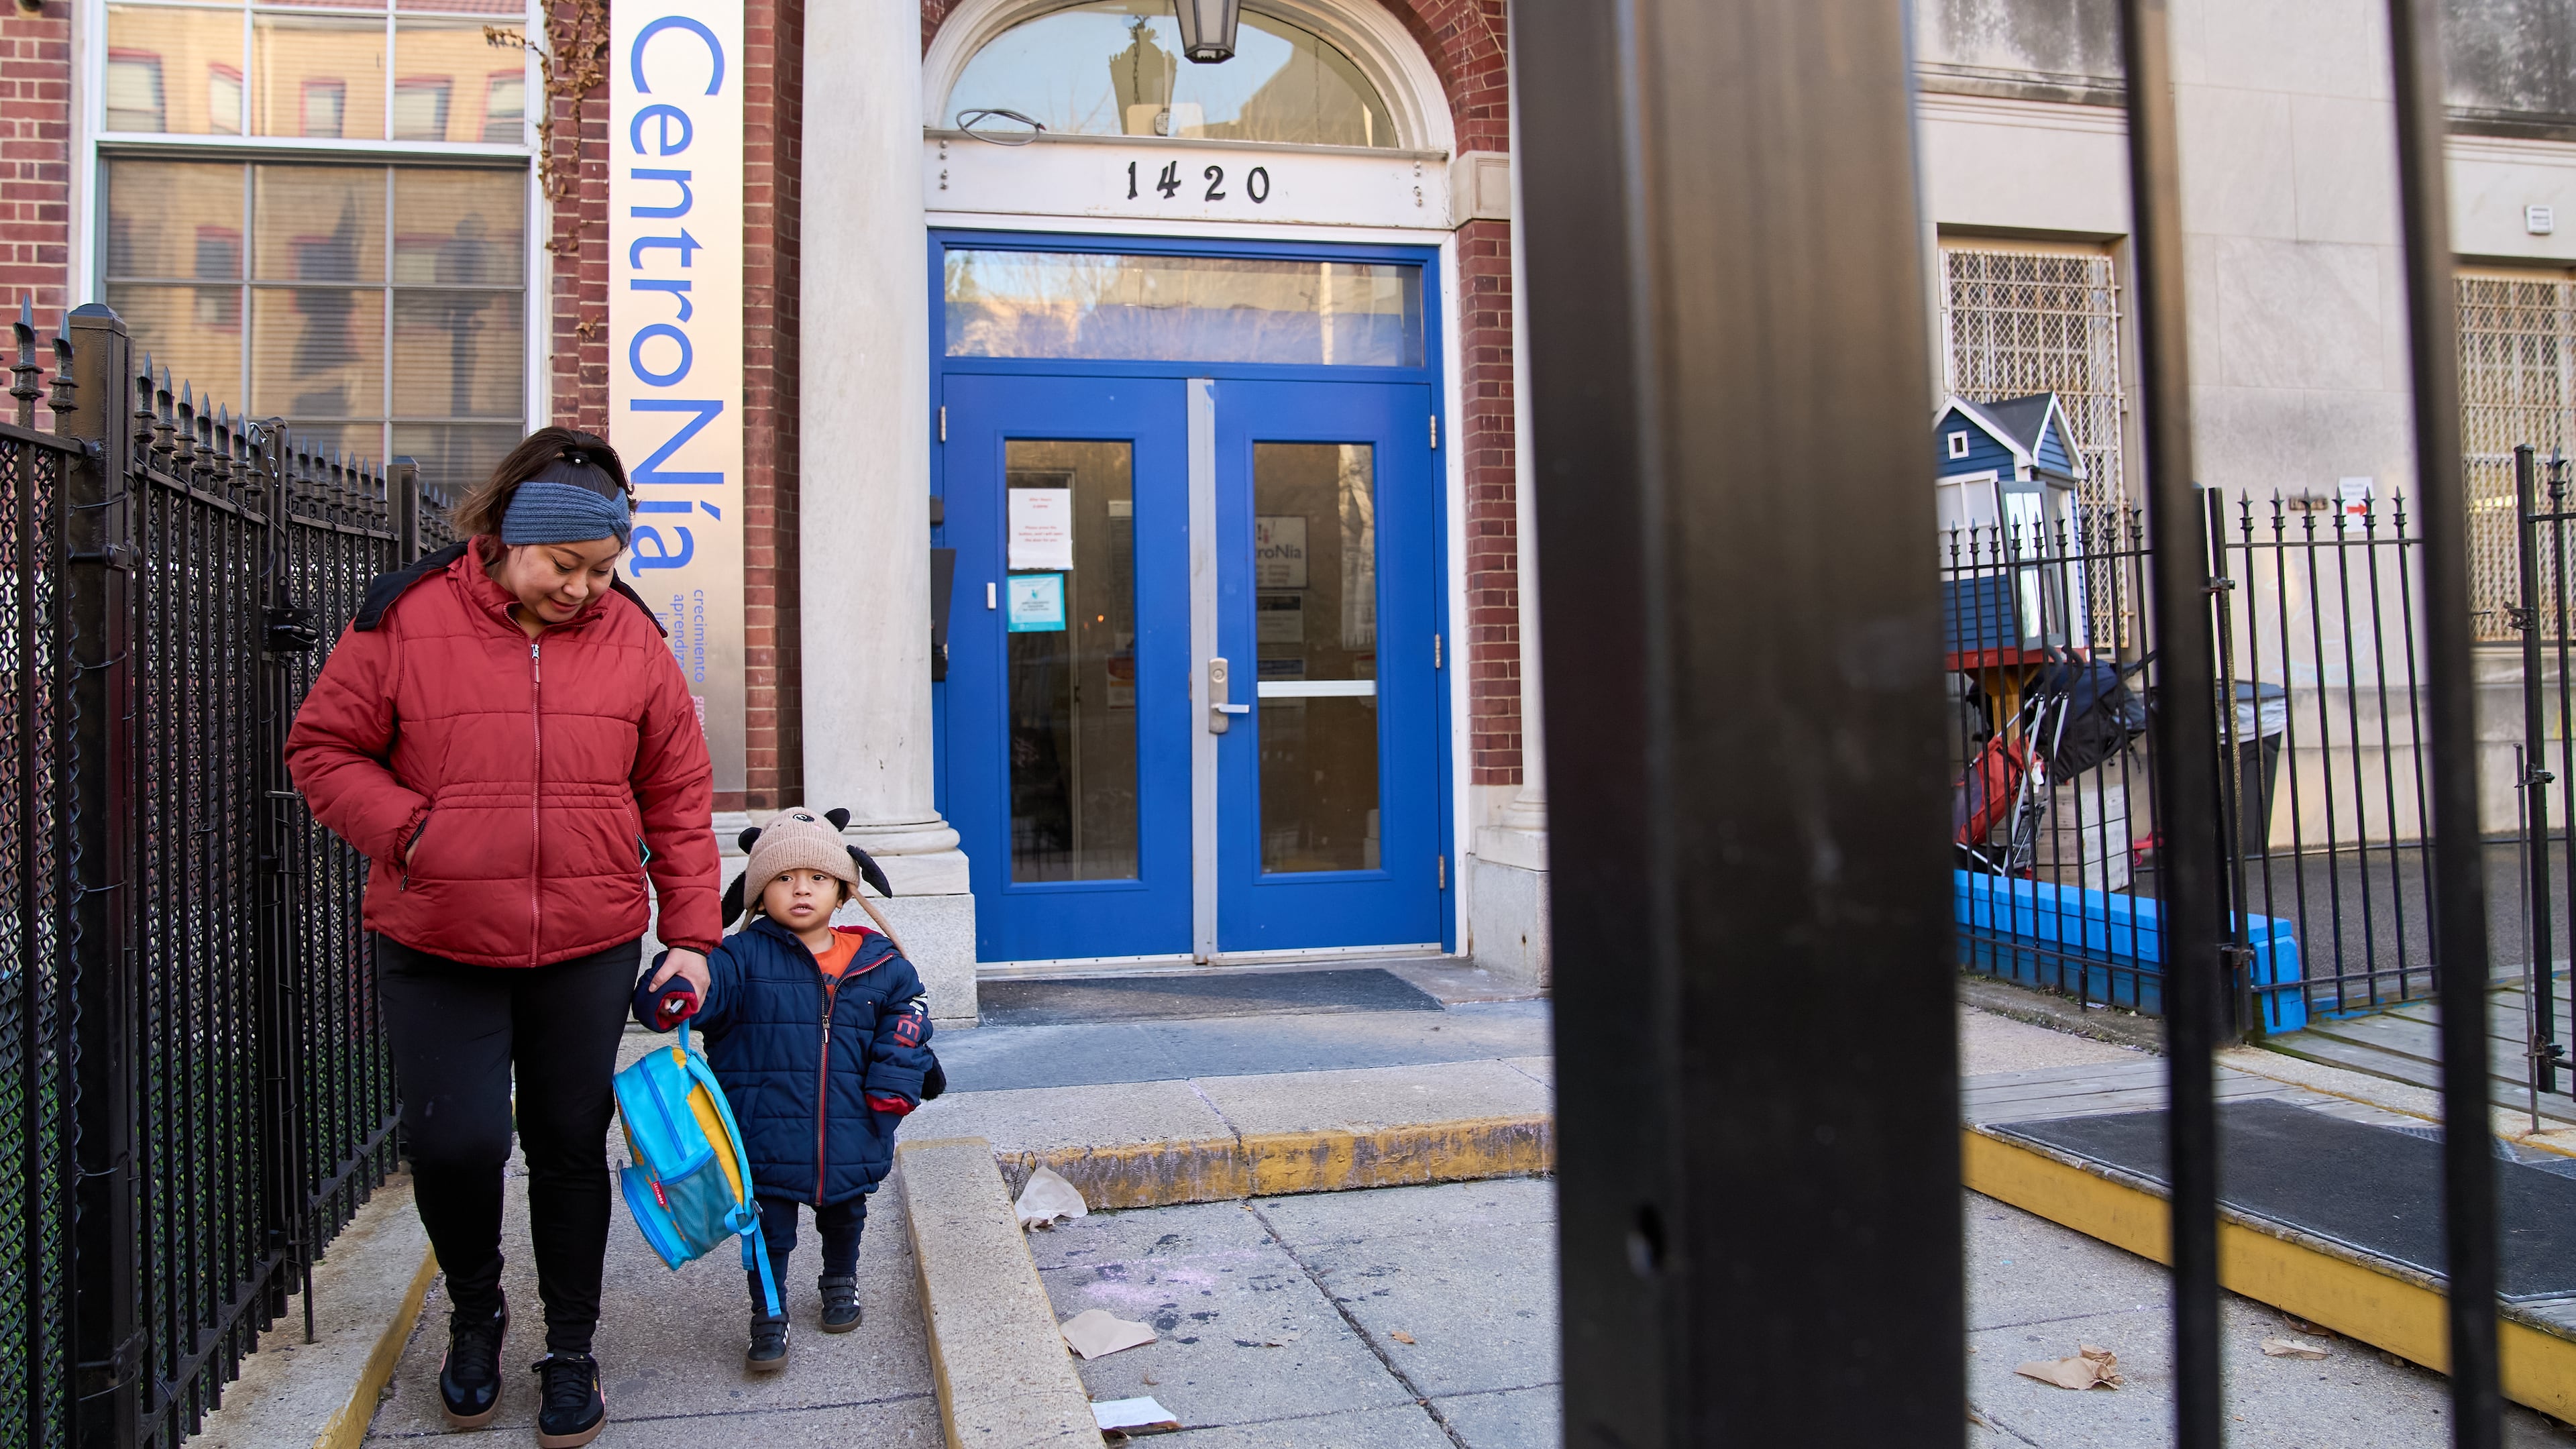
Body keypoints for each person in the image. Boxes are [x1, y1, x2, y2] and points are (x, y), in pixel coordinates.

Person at [286, 429, 720, 1449]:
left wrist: (692, 936)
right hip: (438, 934)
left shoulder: (633, 641)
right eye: (564, 566)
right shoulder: (405, 621)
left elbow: (678, 793)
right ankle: (476, 1314)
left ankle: (571, 1347)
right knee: (457, 1140)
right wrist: (415, 833)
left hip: (588, 937)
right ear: (506, 540)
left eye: (603, 570)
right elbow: (324, 745)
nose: (583, 589)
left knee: (568, 1146)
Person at [631, 808, 936, 1372]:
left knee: (845, 1214)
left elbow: (911, 1020)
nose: (802, 889)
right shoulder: (739, 960)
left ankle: (839, 1280)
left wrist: (895, 1084)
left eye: (818, 878)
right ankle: (768, 1310)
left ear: (843, 891)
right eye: (783, 878)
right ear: (756, 895)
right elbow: (699, 991)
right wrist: (673, 988)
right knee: (769, 1230)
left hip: (852, 1126)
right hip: (763, 1132)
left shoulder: (881, 962)